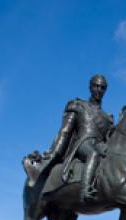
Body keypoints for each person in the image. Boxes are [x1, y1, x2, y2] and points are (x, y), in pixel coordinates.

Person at [26, 74, 114, 203]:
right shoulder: (78, 105)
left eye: (102, 87)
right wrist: (54, 153)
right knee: (93, 154)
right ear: (90, 87)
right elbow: (65, 131)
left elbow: (108, 139)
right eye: (96, 86)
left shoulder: (108, 118)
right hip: (83, 142)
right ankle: (85, 190)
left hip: (100, 144)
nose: (99, 90)